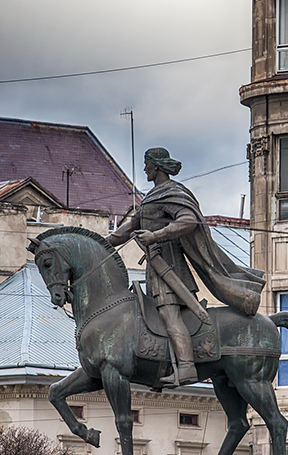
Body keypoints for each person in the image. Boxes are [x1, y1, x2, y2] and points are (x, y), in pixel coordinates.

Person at [107, 147, 265, 386]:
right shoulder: (151, 198)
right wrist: (96, 242)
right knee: (158, 317)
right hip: (156, 269)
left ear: (157, 166)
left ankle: (187, 368)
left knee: (169, 316)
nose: (144, 169)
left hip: (169, 268)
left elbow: (189, 221)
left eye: (147, 164)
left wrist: (156, 235)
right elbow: (126, 230)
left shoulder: (172, 192)